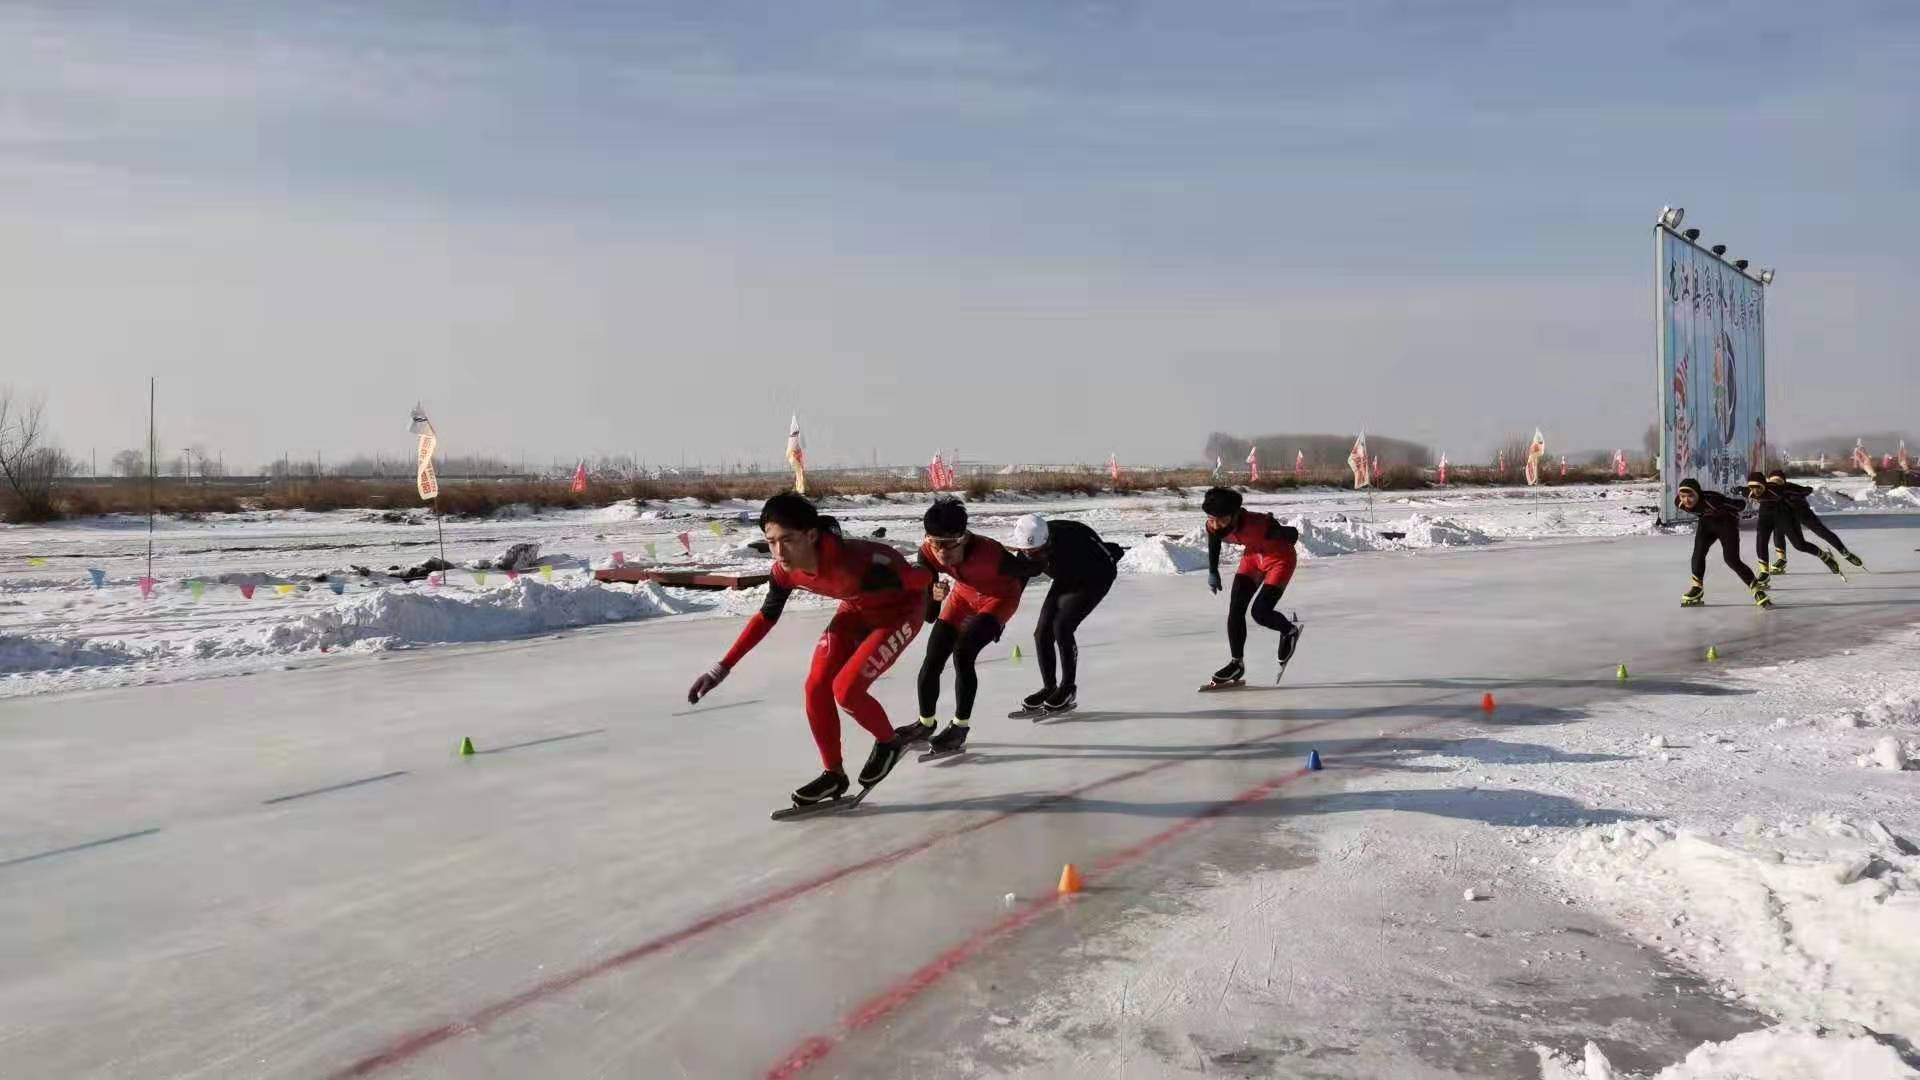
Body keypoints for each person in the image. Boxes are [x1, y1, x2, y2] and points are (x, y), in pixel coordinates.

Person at [687, 493, 933, 808]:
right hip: (855, 610)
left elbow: (922, 577)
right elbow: (766, 617)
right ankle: (834, 774)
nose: (779, 552)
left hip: (900, 613)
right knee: (816, 687)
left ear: (811, 535)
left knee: (846, 690)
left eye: (787, 540)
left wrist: (926, 583)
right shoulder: (783, 572)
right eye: (771, 542)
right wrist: (721, 668)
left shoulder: (856, 563)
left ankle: (890, 743)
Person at [897, 498, 1046, 755]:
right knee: (933, 658)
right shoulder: (927, 553)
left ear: (964, 537)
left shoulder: (991, 555)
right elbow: (930, 615)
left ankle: (959, 727)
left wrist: (1047, 552)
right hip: (963, 597)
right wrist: (933, 596)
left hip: (999, 599)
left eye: (949, 544)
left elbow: (1031, 569)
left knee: (963, 653)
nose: (942, 552)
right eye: (935, 542)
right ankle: (925, 723)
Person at [1005, 513, 1122, 716]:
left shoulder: (1069, 541)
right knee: (1042, 633)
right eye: (1028, 552)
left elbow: (1108, 554)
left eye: (1038, 552)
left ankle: (1068, 688)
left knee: (1062, 627)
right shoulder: (1026, 551)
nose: (1032, 556)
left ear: (1047, 542)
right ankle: (1049, 687)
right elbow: (1015, 588)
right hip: (1066, 575)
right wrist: (998, 619)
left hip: (1096, 574)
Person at [1201, 487, 1303, 686]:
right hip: (1253, 559)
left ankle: (1288, 631)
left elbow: (1292, 535)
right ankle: (1236, 664)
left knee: (1260, 613)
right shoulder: (1213, 526)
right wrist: (1213, 571)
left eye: (1222, 520)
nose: (1216, 525)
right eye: (1212, 519)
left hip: (1280, 559)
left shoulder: (1259, 524)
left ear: (1235, 515)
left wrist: (1283, 531)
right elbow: (1214, 543)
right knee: (1236, 609)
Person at [1674, 478, 1772, 608]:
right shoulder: (1679, 502)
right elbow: (1695, 507)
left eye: (1690, 496)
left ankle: (1756, 589)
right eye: (1683, 496)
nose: (1686, 500)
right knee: (1698, 553)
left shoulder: (1713, 500)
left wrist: (1731, 503)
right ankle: (1697, 588)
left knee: (1731, 559)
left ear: (1698, 494)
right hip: (1706, 523)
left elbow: (1740, 505)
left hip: (1727, 524)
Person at [1747, 471, 1843, 585]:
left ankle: (1824, 556)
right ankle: (1765, 572)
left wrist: (1801, 493)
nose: (1755, 491)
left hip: (1785, 515)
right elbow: (1747, 491)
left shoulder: (1783, 490)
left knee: (1799, 545)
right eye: (1752, 488)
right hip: (1766, 516)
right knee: (1761, 540)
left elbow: (1805, 491)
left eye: (1758, 487)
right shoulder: (1754, 491)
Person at [1766, 469, 1864, 571]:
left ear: (1783, 481)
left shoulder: (1790, 487)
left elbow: (1807, 490)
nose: (1776, 484)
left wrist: (1791, 493)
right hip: (1787, 517)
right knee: (1797, 544)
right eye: (1773, 481)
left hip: (1803, 513)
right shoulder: (1767, 491)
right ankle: (1822, 557)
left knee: (1821, 531)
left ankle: (1845, 552)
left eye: (1778, 481)